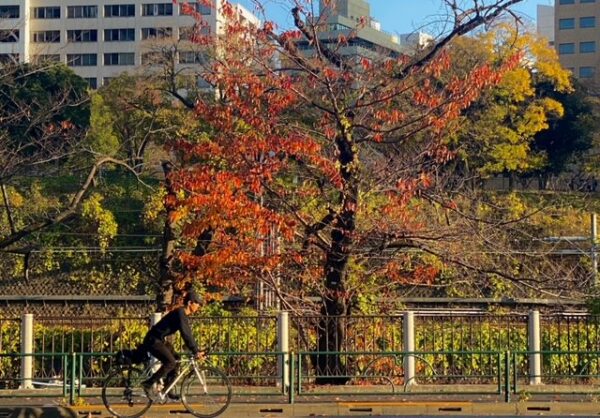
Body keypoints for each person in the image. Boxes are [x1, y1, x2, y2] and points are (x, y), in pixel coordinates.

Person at [141, 289, 204, 399]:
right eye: (197, 303)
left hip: (160, 339)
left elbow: (187, 333)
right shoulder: (180, 313)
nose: (198, 306)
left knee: (176, 359)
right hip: (153, 340)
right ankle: (148, 383)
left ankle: (167, 389)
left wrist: (195, 349)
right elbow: (186, 333)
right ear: (190, 303)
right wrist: (195, 350)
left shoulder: (182, 314)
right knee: (170, 362)